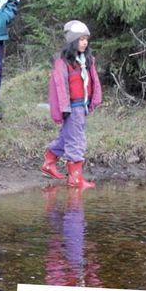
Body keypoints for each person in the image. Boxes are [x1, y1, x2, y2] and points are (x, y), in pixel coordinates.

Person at [43, 19, 103, 189]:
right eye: (81, 39)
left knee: (67, 137)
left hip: (82, 105)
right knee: (76, 140)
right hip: (72, 107)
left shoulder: (86, 60)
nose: (84, 43)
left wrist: (93, 100)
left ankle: (49, 162)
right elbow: (60, 87)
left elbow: (92, 81)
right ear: (73, 41)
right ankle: (75, 178)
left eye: (86, 39)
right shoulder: (63, 62)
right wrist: (64, 109)